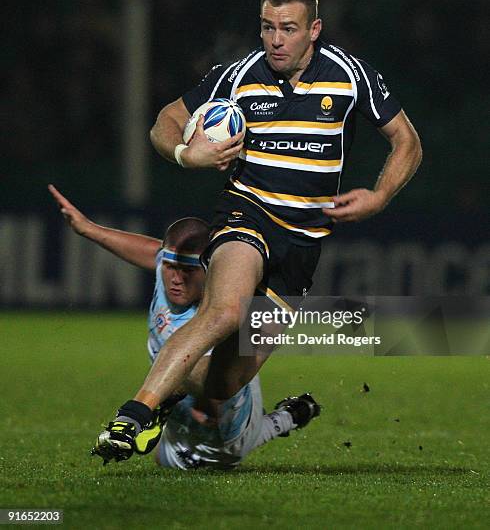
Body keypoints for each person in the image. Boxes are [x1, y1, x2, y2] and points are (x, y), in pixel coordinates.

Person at [95, 0, 422, 455]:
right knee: (225, 310)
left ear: (314, 30)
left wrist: (380, 195)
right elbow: (164, 121)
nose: (275, 39)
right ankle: (131, 416)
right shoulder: (237, 75)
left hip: (303, 245)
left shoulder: (351, 76)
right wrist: (189, 155)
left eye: (287, 29)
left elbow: (407, 141)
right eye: (267, 27)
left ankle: (171, 391)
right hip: (246, 215)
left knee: (223, 383)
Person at [48, 184, 321, 469]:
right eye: (170, 267)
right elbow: (154, 251)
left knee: (220, 452)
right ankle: (290, 416)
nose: (175, 278)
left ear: (212, 270)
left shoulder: (209, 323)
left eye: (188, 271)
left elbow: (211, 400)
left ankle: (282, 418)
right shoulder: (170, 263)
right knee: (165, 453)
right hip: (180, 398)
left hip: (223, 419)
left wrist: (170, 401)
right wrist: (88, 229)